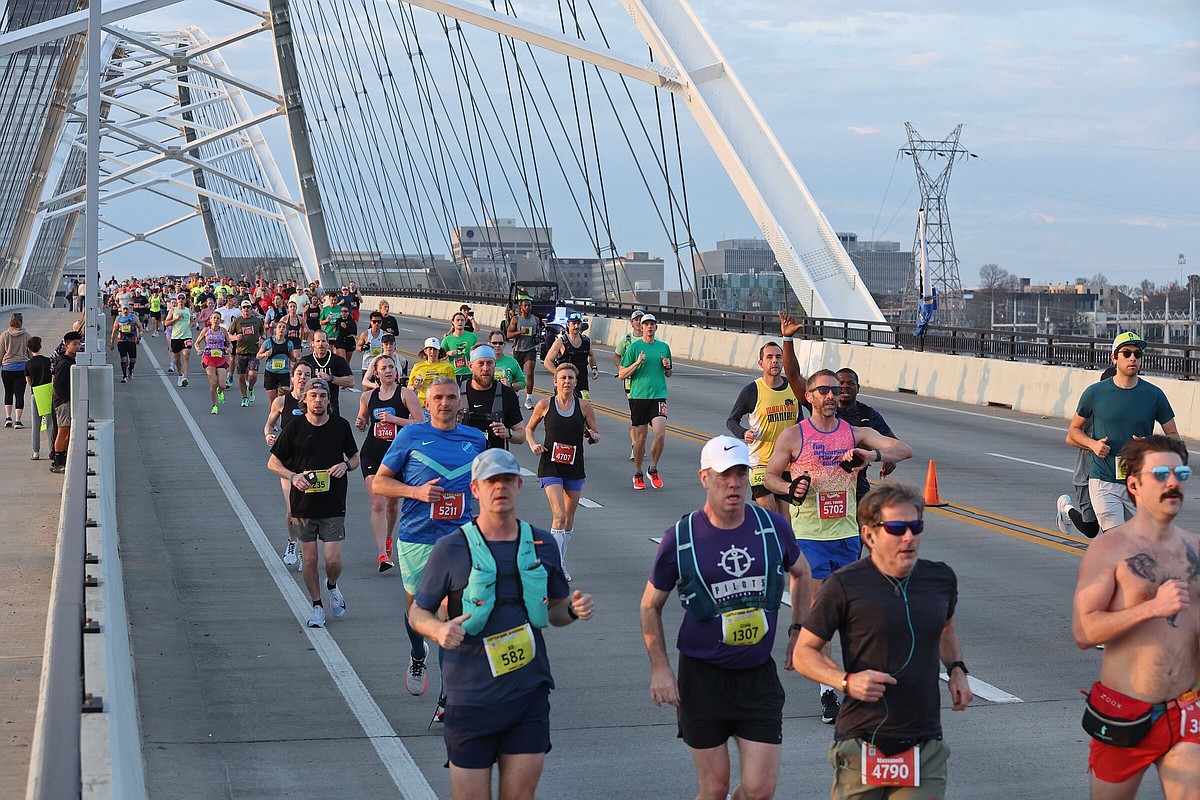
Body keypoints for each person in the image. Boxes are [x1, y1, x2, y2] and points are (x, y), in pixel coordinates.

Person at [408, 448, 594, 800]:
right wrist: (439, 630)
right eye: (492, 481)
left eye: (508, 480)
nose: (501, 488)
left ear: (519, 486)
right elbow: (418, 612)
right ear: (475, 489)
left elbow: (553, 611)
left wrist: (572, 610)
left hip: (527, 695)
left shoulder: (543, 545)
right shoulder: (451, 548)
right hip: (470, 698)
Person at [640, 436, 813, 800]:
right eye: (724, 475)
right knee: (715, 788)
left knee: (759, 790)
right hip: (702, 679)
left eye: (740, 473)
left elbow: (802, 572)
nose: (734, 483)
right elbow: (649, 606)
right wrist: (660, 668)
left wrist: (799, 630)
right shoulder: (681, 537)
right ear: (704, 478)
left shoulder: (772, 528)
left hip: (757, 676)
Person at [793, 483, 973, 800]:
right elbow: (804, 654)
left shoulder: (940, 579)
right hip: (861, 742)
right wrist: (846, 681)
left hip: (923, 743)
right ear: (869, 534)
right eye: (896, 528)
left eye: (915, 526)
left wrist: (957, 669)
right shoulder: (844, 585)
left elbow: (945, 628)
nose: (909, 537)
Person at [764, 369, 913, 725]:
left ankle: (850, 682)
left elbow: (905, 449)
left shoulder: (854, 433)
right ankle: (828, 691)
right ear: (810, 397)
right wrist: (790, 489)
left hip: (847, 535)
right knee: (824, 611)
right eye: (823, 391)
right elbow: (770, 476)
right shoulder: (793, 436)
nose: (831, 396)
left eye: (835, 390)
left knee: (850, 614)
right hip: (811, 537)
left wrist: (871, 457)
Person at [1072, 435, 1200, 798]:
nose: (1173, 482)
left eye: (1181, 473)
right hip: (1126, 716)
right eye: (1160, 473)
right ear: (1134, 485)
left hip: (1187, 710)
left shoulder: (1196, 548)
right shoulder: (1109, 550)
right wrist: (1153, 608)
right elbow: (1084, 631)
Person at [371, 376, 487, 708]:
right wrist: (416, 492)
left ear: (460, 402)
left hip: (458, 540)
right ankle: (417, 652)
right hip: (416, 538)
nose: (445, 403)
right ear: (427, 402)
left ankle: (446, 697)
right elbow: (380, 483)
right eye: (438, 398)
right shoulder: (410, 435)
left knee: (451, 615)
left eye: (452, 397)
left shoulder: (475, 439)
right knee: (416, 613)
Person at [267, 378, 359, 628]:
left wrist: (345, 465)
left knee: (333, 560)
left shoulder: (340, 426)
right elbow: (273, 463)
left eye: (323, 396)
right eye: (313, 395)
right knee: (309, 560)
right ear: (304, 399)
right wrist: (294, 476)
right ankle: (317, 605)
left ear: (329, 400)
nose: (318, 400)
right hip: (303, 505)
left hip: (333, 502)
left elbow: (354, 458)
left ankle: (332, 586)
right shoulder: (294, 428)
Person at [1068, 332, 1179, 533]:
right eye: (1126, 353)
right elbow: (1073, 431)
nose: (1132, 358)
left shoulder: (1154, 395)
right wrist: (1093, 444)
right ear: (1114, 357)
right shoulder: (1095, 393)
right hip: (1104, 480)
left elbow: (1173, 436)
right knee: (1118, 541)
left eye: (1137, 354)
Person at [525, 363, 600, 580]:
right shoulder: (544, 404)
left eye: (570, 378)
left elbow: (596, 434)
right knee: (558, 514)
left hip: (574, 465)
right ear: (555, 382)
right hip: (551, 464)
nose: (567, 381)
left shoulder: (584, 406)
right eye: (563, 378)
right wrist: (533, 444)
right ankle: (554, 566)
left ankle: (560, 561)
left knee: (568, 518)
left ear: (576, 382)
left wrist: (593, 437)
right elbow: (529, 428)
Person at [355, 354, 421, 572]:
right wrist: (361, 423)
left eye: (392, 367)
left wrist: (395, 420)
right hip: (372, 452)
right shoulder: (367, 397)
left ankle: (388, 538)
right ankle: (382, 554)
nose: (388, 371)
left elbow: (420, 423)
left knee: (393, 505)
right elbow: (363, 421)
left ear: (397, 371)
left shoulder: (406, 394)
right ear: (377, 373)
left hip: (398, 455)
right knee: (378, 503)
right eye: (383, 368)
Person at [726, 341, 800, 513]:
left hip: (787, 463)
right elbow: (731, 420)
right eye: (769, 357)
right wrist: (743, 432)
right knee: (770, 512)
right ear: (761, 363)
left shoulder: (793, 388)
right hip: (761, 463)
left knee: (786, 521)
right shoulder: (752, 390)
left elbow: (799, 424)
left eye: (778, 357)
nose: (775, 361)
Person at [1057, 367, 1118, 539]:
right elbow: (1070, 438)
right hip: (1086, 475)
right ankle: (1066, 509)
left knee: (1114, 527)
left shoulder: (1126, 413)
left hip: (1114, 478)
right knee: (1091, 529)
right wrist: (1093, 446)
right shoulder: (1092, 411)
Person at [265, 361, 314, 570]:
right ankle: (293, 543)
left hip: (310, 461)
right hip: (288, 463)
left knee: (307, 510)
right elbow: (269, 423)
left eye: (307, 374)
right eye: (300, 374)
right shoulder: (281, 401)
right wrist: (269, 434)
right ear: (292, 377)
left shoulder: (314, 401)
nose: (303, 378)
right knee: (292, 508)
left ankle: (304, 549)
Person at [617, 313, 672, 490]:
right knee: (641, 439)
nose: (649, 327)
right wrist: (637, 363)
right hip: (638, 396)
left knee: (660, 434)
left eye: (652, 324)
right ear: (641, 327)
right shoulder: (634, 348)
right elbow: (621, 374)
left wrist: (667, 366)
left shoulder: (663, 347)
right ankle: (638, 472)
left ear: (656, 327)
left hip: (658, 395)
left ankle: (653, 468)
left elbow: (669, 373)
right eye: (645, 324)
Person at [835, 368, 898, 504]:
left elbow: (894, 444)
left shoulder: (868, 414)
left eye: (850, 383)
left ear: (858, 388)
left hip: (859, 489)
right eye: (841, 383)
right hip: (829, 491)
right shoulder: (824, 413)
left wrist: (888, 458)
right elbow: (794, 378)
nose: (845, 386)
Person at [459, 345, 525, 451]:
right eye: (480, 363)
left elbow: (521, 436)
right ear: (470, 366)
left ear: (495, 365)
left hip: (495, 462)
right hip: (463, 461)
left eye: (489, 363)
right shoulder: (456, 392)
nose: (485, 368)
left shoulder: (507, 393)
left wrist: (508, 433)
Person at [543, 311, 598, 398]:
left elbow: (591, 355)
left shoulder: (586, 341)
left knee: (583, 406)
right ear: (568, 325)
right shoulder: (561, 342)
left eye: (578, 323)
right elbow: (547, 361)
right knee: (563, 407)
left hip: (581, 382)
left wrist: (594, 368)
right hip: (565, 383)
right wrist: (558, 374)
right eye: (574, 324)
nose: (576, 326)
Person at [48, 331, 82, 474]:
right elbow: (57, 384)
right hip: (63, 403)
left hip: (66, 402)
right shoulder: (64, 363)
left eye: (79, 344)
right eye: (74, 344)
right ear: (67, 345)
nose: (78, 347)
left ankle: (62, 459)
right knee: (62, 431)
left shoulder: (70, 361)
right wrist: (65, 400)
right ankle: (57, 462)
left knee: (67, 431)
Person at [613, 308, 644, 460]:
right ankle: (635, 444)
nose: (639, 322)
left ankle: (640, 442)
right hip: (631, 381)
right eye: (636, 320)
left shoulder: (652, 337)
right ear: (631, 323)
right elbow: (617, 356)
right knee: (635, 413)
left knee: (644, 416)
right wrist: (621, 368)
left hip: (647, 382)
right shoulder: (626, 339)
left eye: (641, 319)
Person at [300, 331, 354, 418]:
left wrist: (331, 378)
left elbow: (351, 382)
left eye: (323, 341)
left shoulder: (337, 360)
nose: (321, 344)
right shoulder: (306, 360)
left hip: (331, 409)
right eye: (318, 341)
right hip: (310, 410)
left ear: (327, 343)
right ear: (312, 343)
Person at [507, 295, 542, 409]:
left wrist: (538, 337)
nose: (527, 307)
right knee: (518, 374)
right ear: (521, 308)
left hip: (530, 349)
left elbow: (539, 333)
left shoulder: (535, 319)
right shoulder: (516, 319)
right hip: (518, 349)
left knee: (530, 372)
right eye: (525, 306)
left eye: (529, 306)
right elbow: (508, 335)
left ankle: (529, 398)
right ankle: (516, 395)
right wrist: (519, 332)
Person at [195, 313, 232, 415]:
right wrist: (198, 350)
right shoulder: (206, 331)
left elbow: (229, 343)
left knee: (222, 385)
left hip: (220, 357)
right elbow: (196, 343)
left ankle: (220, 392)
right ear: (210, 320)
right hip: (209, 357)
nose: (216, 320)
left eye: (218, 318)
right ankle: (214, 405)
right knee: (213, 383)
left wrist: (230, 348)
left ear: (220, 320)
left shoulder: (223, 331)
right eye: (214, 318)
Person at [0, 312, 31, 428]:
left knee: (8, 392)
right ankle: (18, 420)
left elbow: (1, 353)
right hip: (21, 368)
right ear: (21, 322)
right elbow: (30, 352)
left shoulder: (4, 335)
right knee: (19, 394)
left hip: (7, 368)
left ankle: (8, 417)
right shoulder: (26, 335)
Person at [408, 337, 455, 413]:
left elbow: (453, 387)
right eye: (430, 349)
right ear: (425, 351)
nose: (432, 352)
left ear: (439, 351)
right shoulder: (418, 367)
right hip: (424, 404)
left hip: (441, 404)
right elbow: (409, 387)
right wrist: (414, 386)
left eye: (435, 349)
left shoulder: (447, 367)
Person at [25, 337, 54, 460]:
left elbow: (29, 382)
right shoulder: (48, 361)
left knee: (35, 425)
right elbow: (53, 377)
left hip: (35, 394)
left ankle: (35, 452)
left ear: (29, 349)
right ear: (40, 346)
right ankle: (52, 449)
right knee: (49, 424)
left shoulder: (28, 364)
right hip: (47, 392)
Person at [256, 320, 296, 404]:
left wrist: (298, 361)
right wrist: (264, 354)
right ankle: (272, 417)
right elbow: (258, 356)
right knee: (274, 402)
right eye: (279, 327)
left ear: (286, 331)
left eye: (284, 327)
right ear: (275, 330)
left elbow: (292, 358)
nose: (281, 329)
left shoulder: (289, 344)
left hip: (284, 373)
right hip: (271, 373)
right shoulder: (268, 342)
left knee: (283, 400)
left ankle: (283, 417)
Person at [108, 303, 143, 383]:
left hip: (131, 340)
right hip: (122, 340)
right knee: (123, 358)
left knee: (133, 360)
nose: (125, 310)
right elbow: (114, 331)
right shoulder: (118, 319)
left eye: (127, 309)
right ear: (121, 309)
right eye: (124, 309)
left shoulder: (133, 317)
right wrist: (111, 342)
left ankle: (130, 369)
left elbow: (140, 327)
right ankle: (124, 376)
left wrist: (140, 333)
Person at [163, 296, 194, 387]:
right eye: (179, 298)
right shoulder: (173, 310)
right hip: (176, 337)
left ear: (185, 300)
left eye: (182, 298)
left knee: (186, 355)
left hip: (187, 336)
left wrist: (191, 323)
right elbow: (166, 323)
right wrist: (175, 318)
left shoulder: (188, 310)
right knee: (177, 358)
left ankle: (185, 377)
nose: (181, 300)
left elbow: (192, 321)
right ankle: (180, 374)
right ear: (177, 300)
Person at [442, 312, 478, 379]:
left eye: (462, 320)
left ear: (465, 322)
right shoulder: (447, 339)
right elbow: (440, 358)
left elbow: (478, 354)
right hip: (454, 373)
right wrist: (448, 353)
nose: (460, 322)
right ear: (453, 322)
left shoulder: (472, 337)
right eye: (457, 320)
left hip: (469, 373)